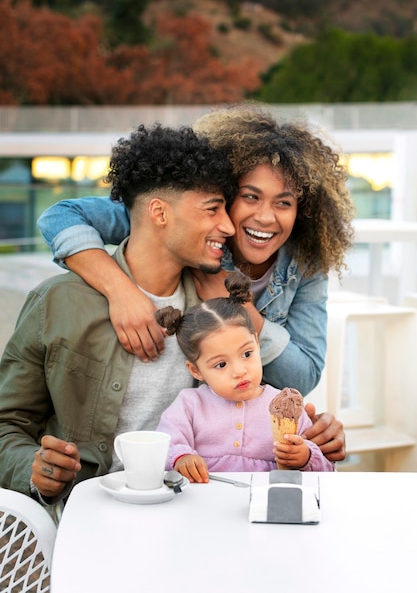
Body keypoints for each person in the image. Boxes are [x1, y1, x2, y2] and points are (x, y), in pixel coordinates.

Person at [37, 103, 354, 461]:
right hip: (188, 436)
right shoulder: (186, 229)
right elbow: (60, 216)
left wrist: (242, 310)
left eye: (284, 202)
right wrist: (119, 291)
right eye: (250, 196)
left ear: (303, 210)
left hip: (244, 439)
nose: (265, 217)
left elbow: (303, 376)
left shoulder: (305, 262)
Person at [0, 123, 237, 510]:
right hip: (86, 515)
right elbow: (7, 423)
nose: (228, 225)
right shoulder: (56, 302)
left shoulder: (217, 311)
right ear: (159, 212)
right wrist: (33, 467)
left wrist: (309, 437)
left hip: (193, 509)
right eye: (213, 208)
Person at [155, 270, 334, 483]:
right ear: (196, 370)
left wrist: (304, 457)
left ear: (257, 344)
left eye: (247, 354)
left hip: (267, 502)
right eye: (221, 364)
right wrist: (181, 458)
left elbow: (327, 471)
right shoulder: (190, 405)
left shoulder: (283, 406)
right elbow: (163, 446)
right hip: (206, 503)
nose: (240, 370)